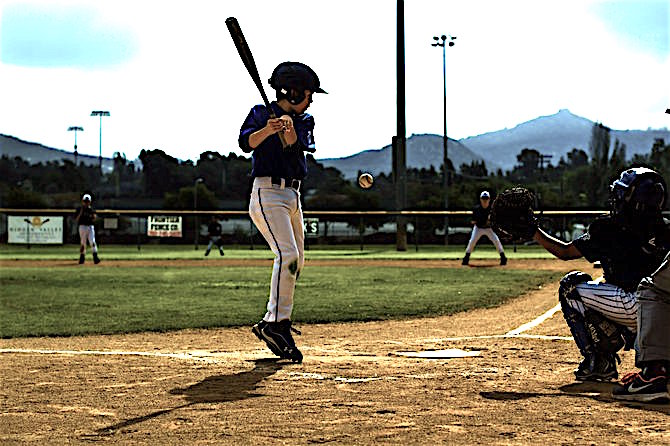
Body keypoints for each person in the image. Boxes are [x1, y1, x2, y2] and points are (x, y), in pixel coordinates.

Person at [533, 167, 669, 382]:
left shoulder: (608, 227)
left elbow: (566, 252)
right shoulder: (666, 228)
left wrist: (534, 232)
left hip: (633, 305)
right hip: (661, 313)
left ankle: (599, 361)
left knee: (571, 286)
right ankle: (657, 361)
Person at [238, 61, 326, 363]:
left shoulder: (305, 119)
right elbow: (246, 143)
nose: (311, 99)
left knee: (297, 261)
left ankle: (272, 322)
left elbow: (295, 145)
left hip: (292, 195)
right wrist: (268, 129)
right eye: (309, 93)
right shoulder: (260, 113)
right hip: (267, 192)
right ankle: (277, 323)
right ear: (293, 91)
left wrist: (286, 127)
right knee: (286, 256)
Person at [462, 191, 507, 266]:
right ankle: (466, 258)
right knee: (472, 242)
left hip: (489, 229)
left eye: (486, 198)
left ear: (489, 199)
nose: (485, 200)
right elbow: (473, 221)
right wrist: (482, 220)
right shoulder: (477, 209)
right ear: (480, 199)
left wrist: (491, 221)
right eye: (483, 198)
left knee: (496, 241)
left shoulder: (492, 209)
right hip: (478, 228)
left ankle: (503, 258)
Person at [74, 193, 100, 264]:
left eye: (87, 201)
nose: (86, 203)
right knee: (83, 243)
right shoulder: (79, 209)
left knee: (92, 241)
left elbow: (95, 218)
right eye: (85, 201)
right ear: (82, 201)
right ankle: (82, 257)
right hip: (82, 227)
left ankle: (95, 257)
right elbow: (76, 219)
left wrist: (93, 216)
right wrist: (81, 212)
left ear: (90, 202)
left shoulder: (91, 209)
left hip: (90, 227)